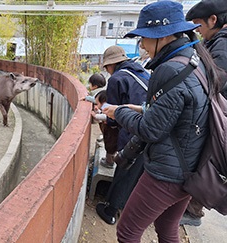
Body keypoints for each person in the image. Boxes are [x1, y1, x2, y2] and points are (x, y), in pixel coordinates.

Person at [103, 1, 224, 241]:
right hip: (192, 167)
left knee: (128, 231)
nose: (143, 45)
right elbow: (180, 110)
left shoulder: (169, 69)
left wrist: (117, 112)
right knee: (167, 228)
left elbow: (150, 130)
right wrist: (141, 107)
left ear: (164, 36)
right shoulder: (195, 59)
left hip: (167, 173)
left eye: (145, 38)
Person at [182, 0, 227, 226]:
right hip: (218, 112)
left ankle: (193, 210)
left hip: (219, 115)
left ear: (213, 19)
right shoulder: (216, 41)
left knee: (206, 160)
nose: (197, 29)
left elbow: (215, 79)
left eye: (198, 24)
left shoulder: (222, 45)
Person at [95, 45, 148, 225]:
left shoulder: (118, 78)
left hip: (132, 130)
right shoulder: (142, 72)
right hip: (151, 127)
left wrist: (102, 118)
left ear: (111, 65)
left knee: (124, 169)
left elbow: (114, 114)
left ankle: (110, 210)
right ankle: (126, 207)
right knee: (137, 173)